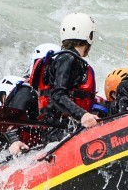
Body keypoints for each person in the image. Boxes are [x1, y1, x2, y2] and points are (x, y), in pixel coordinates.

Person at [27, 12, 100, 142]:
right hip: (57, 130)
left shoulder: (69, 59)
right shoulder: (68, 58)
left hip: (64, 127)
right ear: (88, 35)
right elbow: (57, 95)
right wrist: (82, 115)